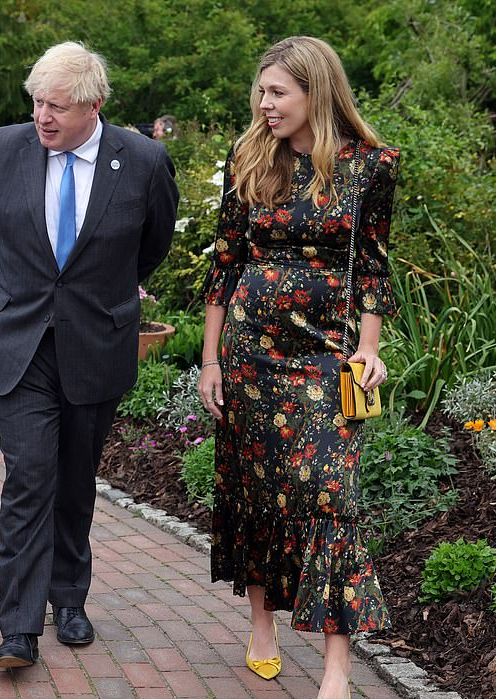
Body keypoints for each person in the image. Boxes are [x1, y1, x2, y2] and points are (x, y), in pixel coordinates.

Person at [0, 41, 179, 668]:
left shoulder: (141, 160)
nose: (43, 116)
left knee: (76, 481)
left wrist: (99, 297)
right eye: (36, 102)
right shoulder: (5, 149)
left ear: (95, 106)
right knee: (30, 477)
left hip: (96, 345)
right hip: (21, 345)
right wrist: (28, 289)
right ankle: (20, 628)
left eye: (57, 106)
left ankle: (71, 598)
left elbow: (153, 245)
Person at [197, 36, 399, 699]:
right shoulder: (249, 156)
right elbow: (225, 260)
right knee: (256, 488)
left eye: (277, 91)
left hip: (327, 354)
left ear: (316, 90)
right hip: (250, 350)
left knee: (335, 497)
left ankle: (337, 668)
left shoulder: (369, 166)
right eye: (261, 91)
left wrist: (368, 348)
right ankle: (262, 623)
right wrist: (210, 360)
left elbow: (372, 264)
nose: (264, 103)